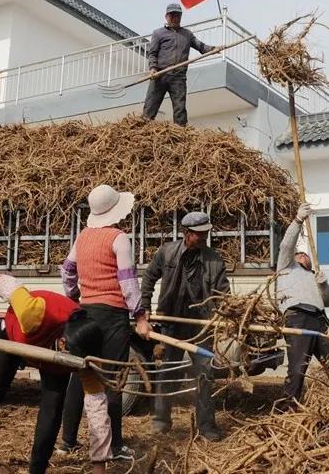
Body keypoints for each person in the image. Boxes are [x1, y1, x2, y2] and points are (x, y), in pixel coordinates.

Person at [0, 272, 111, 474]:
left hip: (52, 361)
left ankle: (37, 469)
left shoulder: (85, 358)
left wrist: (99, 464)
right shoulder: (33, 314)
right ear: (63, 342)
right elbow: (10, 285)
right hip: (14, 338)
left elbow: (98, 412)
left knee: (52, 409)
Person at [57, 184, 151, 461]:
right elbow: (127, 281)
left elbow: (67, 270)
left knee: (79, 377)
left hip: (86, 313)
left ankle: (67, 442)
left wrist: (75, 294)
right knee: (113, 379)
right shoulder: (119, 238)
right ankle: (116, 445)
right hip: (112, 317)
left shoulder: (82, 237)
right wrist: (141, 316)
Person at [140, 211, 229, 441]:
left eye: (206, 234)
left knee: (205, 374)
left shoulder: (215, 260)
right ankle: (161, 422)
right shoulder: (167, 252)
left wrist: (225, 313)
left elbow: (222, 293)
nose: (203, 238)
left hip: (201, 325)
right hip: (172, 322)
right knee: (168, 371)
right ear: (186, 234)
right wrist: (145, 306)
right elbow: (149, 278)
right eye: (199, 234)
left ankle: (206, 426)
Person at [275, 203, 329, 403]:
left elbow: (328, 302)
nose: (302, 255)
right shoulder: (286, 267)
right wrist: (298, 220)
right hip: (297, 317)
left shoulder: (313, 275)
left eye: (305, 254)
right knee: (298, 368)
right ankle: (288, 409)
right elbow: (286, 245)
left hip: (320, 320)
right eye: (299, 254)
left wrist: (324, 284)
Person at [142, 3, 215, 126]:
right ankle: (143, 130)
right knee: (150, 106)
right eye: (173, 15)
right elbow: (152, 53)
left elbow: (200, 46)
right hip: (160, 75)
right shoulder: (158, 33)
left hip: (178, 77)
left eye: (178, 15)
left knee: (180, 109)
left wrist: (213, 49)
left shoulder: (187, 35)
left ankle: (180, 134)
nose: (175, 18)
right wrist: (153, 69)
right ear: (167, 17)